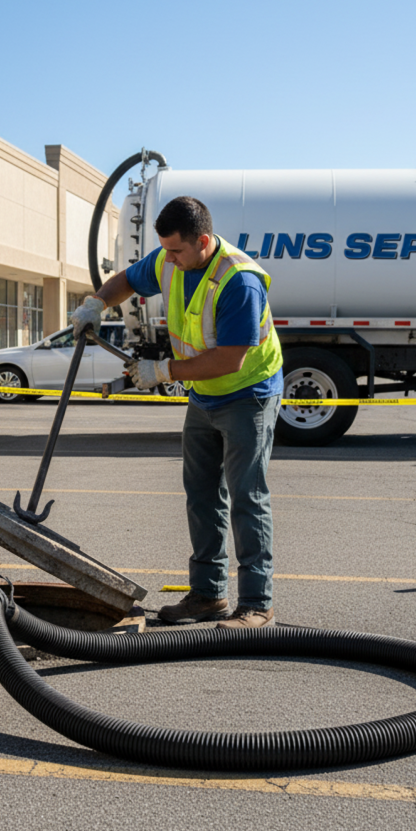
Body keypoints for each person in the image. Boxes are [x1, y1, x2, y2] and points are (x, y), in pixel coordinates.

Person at [71, 196, 283, 628]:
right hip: (204, 395)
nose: (167, 257)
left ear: (203, 241)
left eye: (176, 250)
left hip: (247, 394)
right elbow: (128, 279)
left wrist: (164, 369)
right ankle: (208, 596)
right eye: (164, 248)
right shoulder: (171, 260)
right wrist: (96, 303)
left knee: (246, 497)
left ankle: (257, 605)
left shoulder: (238, 281)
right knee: (202, 495)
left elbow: (231, 359)